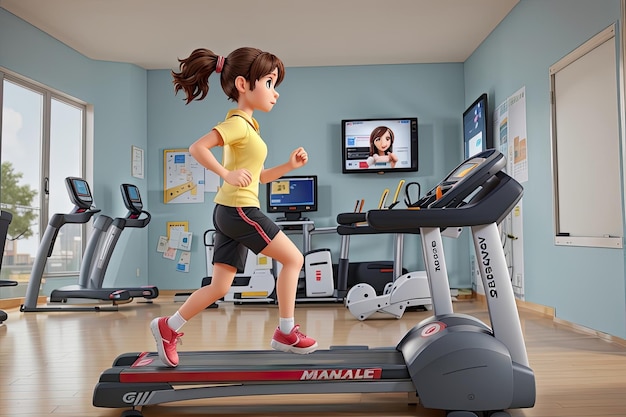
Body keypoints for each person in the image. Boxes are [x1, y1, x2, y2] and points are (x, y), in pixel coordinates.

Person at [150, 47, 318, 368]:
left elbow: (258, 177)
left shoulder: (250, 128)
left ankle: (167, 327)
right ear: (243, 84)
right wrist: (226, 173)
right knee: (294, 258)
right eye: (269, 83)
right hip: (239, 210)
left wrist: (288, 165)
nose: (275, 93)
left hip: (230, 210)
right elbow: (197, 148)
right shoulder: (239, 124)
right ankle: (285, 332)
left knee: (219, 286)